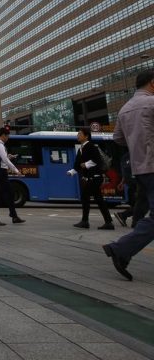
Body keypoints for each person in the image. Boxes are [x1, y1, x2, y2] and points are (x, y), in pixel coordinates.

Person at [103, 71, 154, 280]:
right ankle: (121, 249)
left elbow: (118, 138)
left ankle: (121, 249)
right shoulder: (151, 103)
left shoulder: (125, 109)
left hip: (140, 168)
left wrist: (137, 143)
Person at [71, 127, 114, 230]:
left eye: (80, 134)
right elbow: (77, 164)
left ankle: (86, 222)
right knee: (96, 199)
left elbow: (97, 160)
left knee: (87, 198)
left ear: (86, 136)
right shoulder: (81, 148)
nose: (78, 135)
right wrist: (72, 171)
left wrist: (85, 164)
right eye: (78, 134)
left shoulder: (91, 146)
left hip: (95, 177)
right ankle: (107, 222)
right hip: (89, 178)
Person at [0, 128, 26, 225]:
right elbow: (5, 160)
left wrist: (9, 156)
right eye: (7, 135)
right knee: (4, 194)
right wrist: (16, 170)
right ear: (3, 135)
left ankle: (11, 216)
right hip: (1, 172)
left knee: (4, 194)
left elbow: (2, 158)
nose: (8, 138)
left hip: (0, 172)